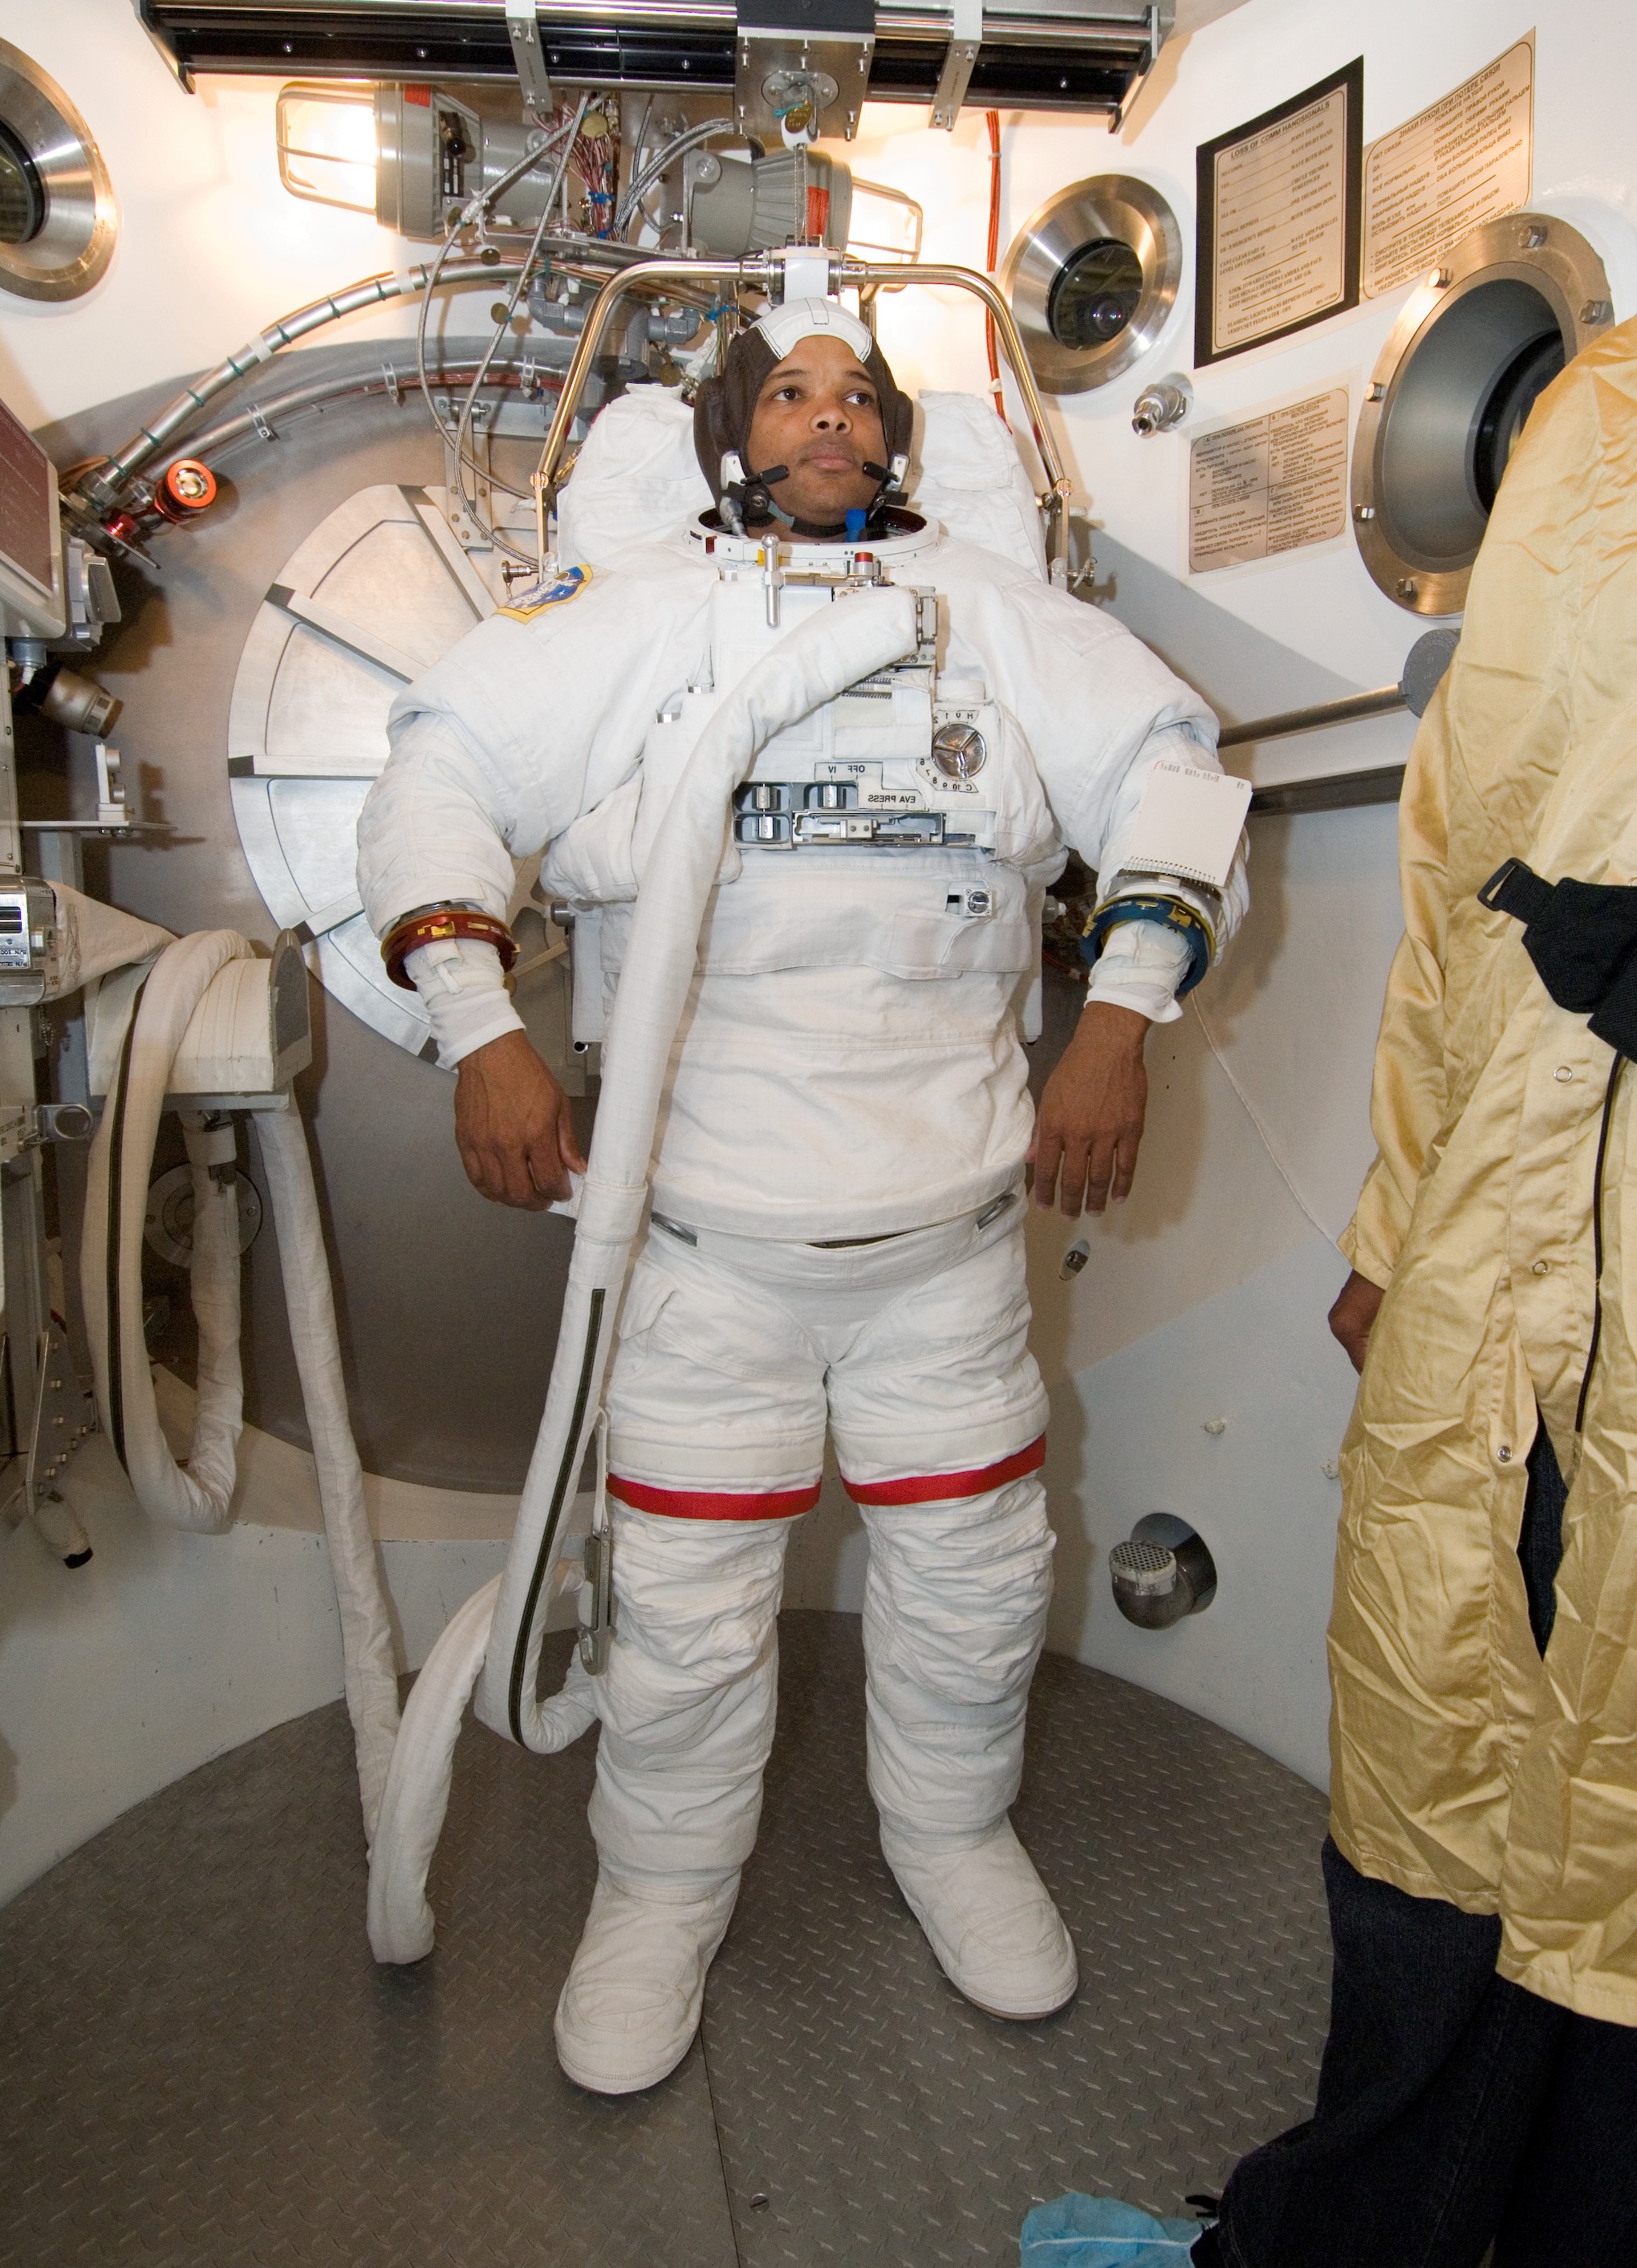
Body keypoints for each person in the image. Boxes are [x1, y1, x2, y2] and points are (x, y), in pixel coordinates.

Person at [356, 295, 1246, 2096]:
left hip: (946, 1247)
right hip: (704, 1245)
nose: (826, 419)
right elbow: (437, 770)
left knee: (977, 1578)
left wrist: (1121, 1018)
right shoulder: (632, 623)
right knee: (681, 1611)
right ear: (731, 439)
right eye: (788, 394)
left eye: (857, 398)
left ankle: (953, 1839)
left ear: (898, 441)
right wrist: (475, 1023)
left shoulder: (1000, 619)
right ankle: (661, 1895)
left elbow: (1168, 778)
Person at [1119, 317, 1637, 2268]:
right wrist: (1394, 1229)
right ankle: (1348, 2242)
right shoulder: (1601, 415)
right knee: (1441, 1761)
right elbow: (1460, 868)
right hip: (1508, 1224)